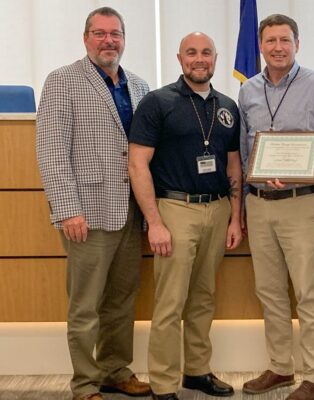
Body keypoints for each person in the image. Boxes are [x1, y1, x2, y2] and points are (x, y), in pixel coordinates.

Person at [35, 7, 151, 400]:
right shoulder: (62, 81)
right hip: (87, 211)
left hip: (130, 212)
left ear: (124, 38)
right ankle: (84, 383)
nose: (108, 41)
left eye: (115, 34)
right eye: (100, 33)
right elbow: (51, 151)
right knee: (85, 306)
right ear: (86, 38)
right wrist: (67, 208)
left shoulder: (138, 85)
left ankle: (115, 370)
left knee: (121, 300)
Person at [238, 13, 314, 400]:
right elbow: (245, 149)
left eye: (285, 40)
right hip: (259, 204)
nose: (277, 47)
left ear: (296, 44)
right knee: (269, 291)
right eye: (270, 41)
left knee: (308, 292)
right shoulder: (248, 90)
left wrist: (305, 173)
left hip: (300, 203)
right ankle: (281, 368)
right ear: (262, 46)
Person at [128, 32, 242, 400]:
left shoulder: (227, 106)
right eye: (191, 52)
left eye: (206, 52)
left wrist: (235, 217)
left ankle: (196, 371)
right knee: (170, 302)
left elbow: (233, 164)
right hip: (175, 209)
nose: (199, 59)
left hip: (218, 207)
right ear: (179, 58)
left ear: (215, 58)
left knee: (204, 297)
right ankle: (162, 383)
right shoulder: (157, 102)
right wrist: (155, 222)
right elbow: (137, 163)